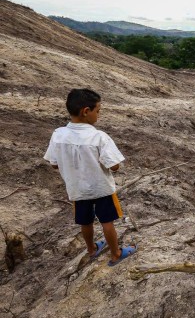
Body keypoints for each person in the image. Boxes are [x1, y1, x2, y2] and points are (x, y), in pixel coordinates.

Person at [44, 88, 136, 266]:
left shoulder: (58, 135)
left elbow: (54, 164)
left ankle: (92, 249)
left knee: (85, 222)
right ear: (86, 111)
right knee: (107, 221)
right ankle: (116, 254)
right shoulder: (98, 137)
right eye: (98, 111)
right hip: (101, 188)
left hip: (77, 189)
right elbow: (114, 166)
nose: (98, 115)